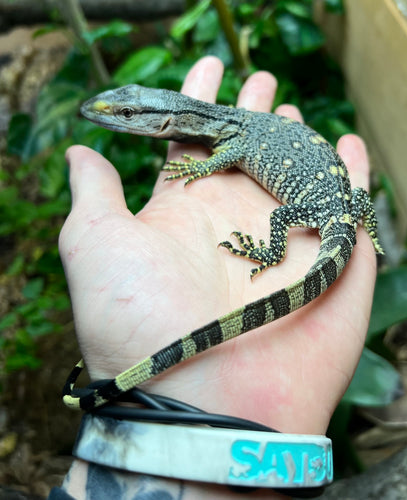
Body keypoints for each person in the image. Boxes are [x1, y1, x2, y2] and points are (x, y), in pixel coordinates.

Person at [50, 56, 377, 499]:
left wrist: (206, 170)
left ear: (165, 121)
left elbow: (238, 151)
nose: (119, 117)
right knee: (343, 198)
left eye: (128, 114)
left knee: (281, 215)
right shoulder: (230, 125)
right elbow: (240, 146)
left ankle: (271, 251)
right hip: (340, 205)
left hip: (324, 212)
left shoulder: (230, 134)